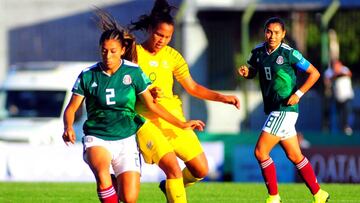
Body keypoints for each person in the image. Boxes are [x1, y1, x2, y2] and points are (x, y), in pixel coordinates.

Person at [62, 10, 204, 203]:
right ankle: (107, 185)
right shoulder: (88, 75)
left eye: (113, 51)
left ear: (122, 50)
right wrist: (68, 126)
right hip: (98, 136)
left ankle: (112, 187)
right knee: (103, 174)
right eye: (104, 50)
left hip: (127, 138)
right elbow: (71, 108)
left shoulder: (134, 72)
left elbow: (152, 105)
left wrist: (181, 124)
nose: (108, 55)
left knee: (129, 198)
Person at [128, 0, 240, 201]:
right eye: (159, 34)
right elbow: (124, 86)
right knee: (173, 169)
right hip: (145, 120)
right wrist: (142, 93)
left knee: (200, 169)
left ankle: (168, 187)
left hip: (173, 117)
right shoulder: (133, 55)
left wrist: (222, 98)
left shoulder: (173, 56)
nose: (163, 40)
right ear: (150, 29)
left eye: (168, 37)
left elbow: (193, 87)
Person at [238, 17, 329, 203]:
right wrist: (248, 74)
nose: (272, 36)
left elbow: (315, 73)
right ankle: (319, 194)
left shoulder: (290, 54)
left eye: (277, 32)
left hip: (284, 109)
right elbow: (254, 71)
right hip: (273, 109)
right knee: (295, 155)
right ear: (265, 32)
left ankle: (274, 197)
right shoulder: (257, 52)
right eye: (269, 31)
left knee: (260, 152)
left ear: (283, 34)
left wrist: (299, 94)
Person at [324, 59, 354, 135]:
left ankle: (346, 127)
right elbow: (327, 80)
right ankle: (331, 128)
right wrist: (335, 74)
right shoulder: (329, 71)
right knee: (335, 113)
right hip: (336, 96)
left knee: (346, 111)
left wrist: (338, 74)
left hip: (347, 95)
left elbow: (349, 74)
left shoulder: (344, 69)